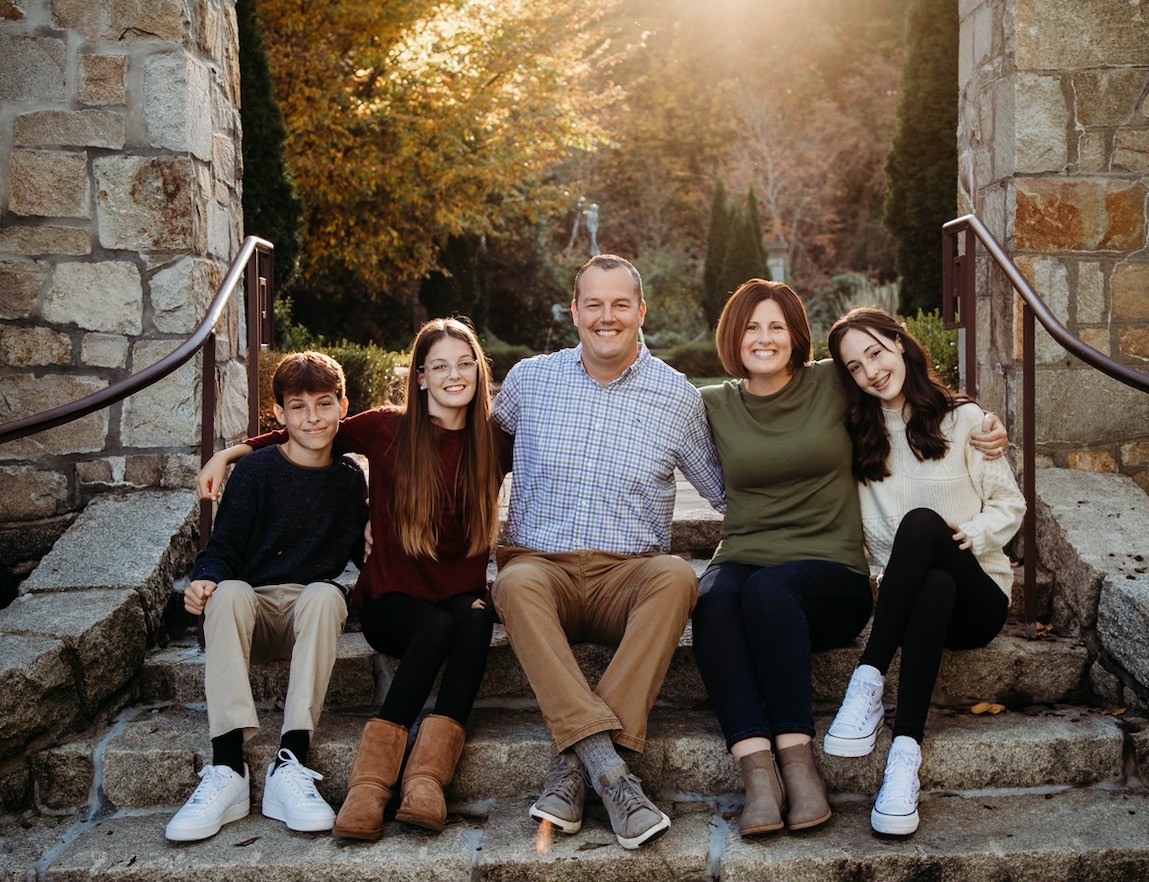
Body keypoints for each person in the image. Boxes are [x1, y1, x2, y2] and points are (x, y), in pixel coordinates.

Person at [693, 281, 1007, 838]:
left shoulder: (832, 383)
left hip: (847, 569)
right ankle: (761, 777)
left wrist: (989, 428)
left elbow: (1002, 494)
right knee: (715, 598)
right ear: (731, 335)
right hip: (789, 558)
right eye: (751, 327)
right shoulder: (715, 403)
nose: (764, 338)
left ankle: (821, 736)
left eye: (776, 326)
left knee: (782, 586)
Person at [195, 319, 509, 841]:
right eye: (439, 366)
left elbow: (556, 471)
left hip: (458, 591)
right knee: (435, 627)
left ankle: (428, 778)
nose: (453, 375)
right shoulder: (390, 427)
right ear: (421, 377)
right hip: (393, 600)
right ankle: (371, 782)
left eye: (463, 363)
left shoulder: (494, 442)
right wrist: (232, 452)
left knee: (474, 621)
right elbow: (313, 428)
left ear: (478, 369)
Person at [490, 253, 725, 850]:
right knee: (512, 584)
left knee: (677, 575)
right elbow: (463, 460)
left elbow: (729, 493)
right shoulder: (528, 382)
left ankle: (575, 768)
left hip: (628, 577)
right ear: (574, 312)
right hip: (543, 571)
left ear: (641, 311)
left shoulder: (677, 397)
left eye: (620, 304)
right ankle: (610, 769)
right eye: (593, 304)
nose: (606, 317)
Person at [823, 307, 1025, 837]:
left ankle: (867, 679)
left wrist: (969, 536)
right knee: (930, 581)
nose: (870, 371)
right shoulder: (860, 437)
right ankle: (903, 760)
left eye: (875, 352)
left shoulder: (965, 420)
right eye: (854, 367)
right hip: (920, 599)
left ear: (899, 344)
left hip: (979, 598)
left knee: (922, 527)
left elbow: (1010, 506)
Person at [167, 351, 368, 842]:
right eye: (297, 407)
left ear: (343, 405)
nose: (313, 417)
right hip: (250, 613)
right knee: (229, 592)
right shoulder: (256, 472)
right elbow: (224, 547)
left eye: (324, 404)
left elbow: (360, 558)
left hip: (306, 617)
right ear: (278, 414)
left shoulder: (347, 479)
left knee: (326, 595)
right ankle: (228, 767)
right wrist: (203, 582)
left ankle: (290, 762)